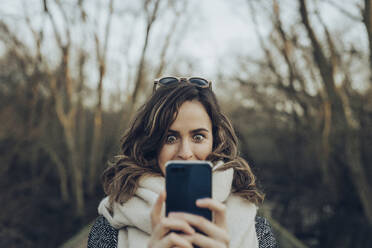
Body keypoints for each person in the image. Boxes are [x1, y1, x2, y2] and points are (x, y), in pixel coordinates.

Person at [87, 77, 278, 248]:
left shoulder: (256, 229)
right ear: (151, 144)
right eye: (170, 138)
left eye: (198, 137)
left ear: (215, 141)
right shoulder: (110, 229)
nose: (185, 153)